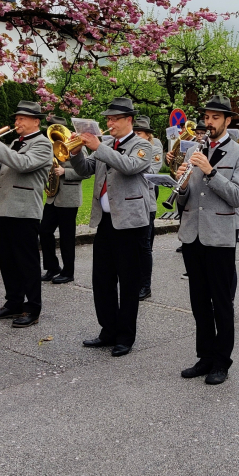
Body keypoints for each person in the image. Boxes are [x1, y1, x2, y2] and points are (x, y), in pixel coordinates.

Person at [177, 95, 239, 384]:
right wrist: (180, 181)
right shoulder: (193, 150)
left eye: (215, 118)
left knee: (221, 301)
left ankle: (222, 361)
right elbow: (184, 198)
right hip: (192, 233)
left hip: (220, 235)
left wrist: (210, 171)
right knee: (198, 300)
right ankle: (205, 356)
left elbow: (237, 197)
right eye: (206, 117)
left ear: (227, 121)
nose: (209, 122)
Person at [71, 97, 154, 357]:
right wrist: (76, 152)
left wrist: (98, 146)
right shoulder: (106, 145)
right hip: (106, 221)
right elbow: (86, 170)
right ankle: (108, 330)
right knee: (102, 281)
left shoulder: (142, 145)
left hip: (130, 223)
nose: (110, 123)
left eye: (114, 119)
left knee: (128, 283)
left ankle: (125, 336)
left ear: (128, 120)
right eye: (107, 119)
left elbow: (130, 167)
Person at [0, 101, 53, 328]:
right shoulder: (13, 142)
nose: (17, 122)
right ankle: (13, 302)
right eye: (16, 118)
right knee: (8, 260)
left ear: (36, 122)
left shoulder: (43, 144)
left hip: (24, 210)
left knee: (27, 262)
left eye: (22, 119)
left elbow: (23, 164)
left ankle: (32, 308)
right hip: (5, 208)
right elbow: (0, 172)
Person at [39, 115, 83, 286]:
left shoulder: (76, 144)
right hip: (52, 196)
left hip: (69, 198)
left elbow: (86, 171)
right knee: (44, 231)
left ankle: (68, 271)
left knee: (67, 237)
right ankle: (52, 267)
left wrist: (66, 173)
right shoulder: (50, 146)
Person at [133, 115, 163, 301]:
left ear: (148, 135)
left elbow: (152, 171)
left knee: (145, 247)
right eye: (134, 132)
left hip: (146, 201)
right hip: (128, 204)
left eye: (139, 133)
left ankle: (145, 285)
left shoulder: (155, 147)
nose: (136, 136)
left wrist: (129, 164)